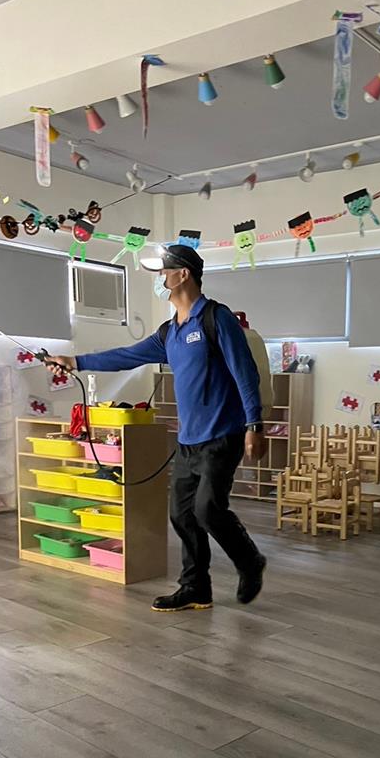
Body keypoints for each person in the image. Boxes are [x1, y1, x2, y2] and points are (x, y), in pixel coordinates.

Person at [45, 243, 266, 612]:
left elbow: (246, 373)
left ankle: (250, 561)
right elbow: (126, 356)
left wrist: (254, 424)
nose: (161, 278)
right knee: (181, 514)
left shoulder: (216, 319)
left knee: (208, 509)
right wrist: (75, 361)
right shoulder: (170, 333)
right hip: (187, 440)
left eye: (165, 271)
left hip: (222, 435)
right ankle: (195, 587)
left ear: (183, 274)